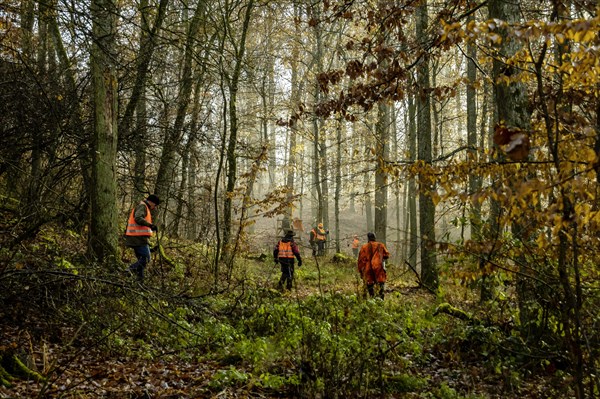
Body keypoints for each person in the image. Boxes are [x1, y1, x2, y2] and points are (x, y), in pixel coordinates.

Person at [124, 194, 160, 281]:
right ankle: (129, 269)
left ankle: (140, 280)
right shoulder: (142, 206)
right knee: (147, 258)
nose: (154, 207)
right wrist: (150, 225)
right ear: (151, 202)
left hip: (136, 237)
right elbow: (138, 218)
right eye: (155, 205)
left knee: (141, 259)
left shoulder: (144, 207)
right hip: (137, 238)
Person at [357, 232, 390, 299]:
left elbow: (360, 260)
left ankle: (372, 298)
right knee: (381, 283)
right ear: (375, 237)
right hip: (378, 267)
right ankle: (381, 299)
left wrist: (361, 271)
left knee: (369, 284)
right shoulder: (381, 245)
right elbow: (386, 255)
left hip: (368, 268)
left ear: (368, 238)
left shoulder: (364, 247)